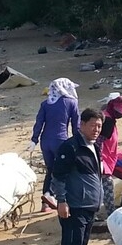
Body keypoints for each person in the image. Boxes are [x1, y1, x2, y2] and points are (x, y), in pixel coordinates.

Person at [51, 108, 104, 245]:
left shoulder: (93, 146)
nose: (96, 129)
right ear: (81, 125)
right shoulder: (71, 147)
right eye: (92, 125)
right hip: (74, 207)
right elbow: (58, 176)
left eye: (99, 126)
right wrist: (61, 201)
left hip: (89, 207)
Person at [27, 78, 80, 212]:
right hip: (60, 141)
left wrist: (34, 140)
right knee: (63, 170)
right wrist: (78, 142)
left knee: (50, 169)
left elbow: (39, 123)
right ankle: (53, 196)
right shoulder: (71, 102)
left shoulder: (45, 104)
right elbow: (76, 125)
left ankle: (45, 203)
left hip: (45, 142)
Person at [97, 93, 122, 216]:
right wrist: (99, 159)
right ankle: (111, 213)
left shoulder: (107, 116)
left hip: (106, 159)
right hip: (103, 159)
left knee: (102, 188)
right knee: (107, 188)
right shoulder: (108, 121)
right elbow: (99, 141)